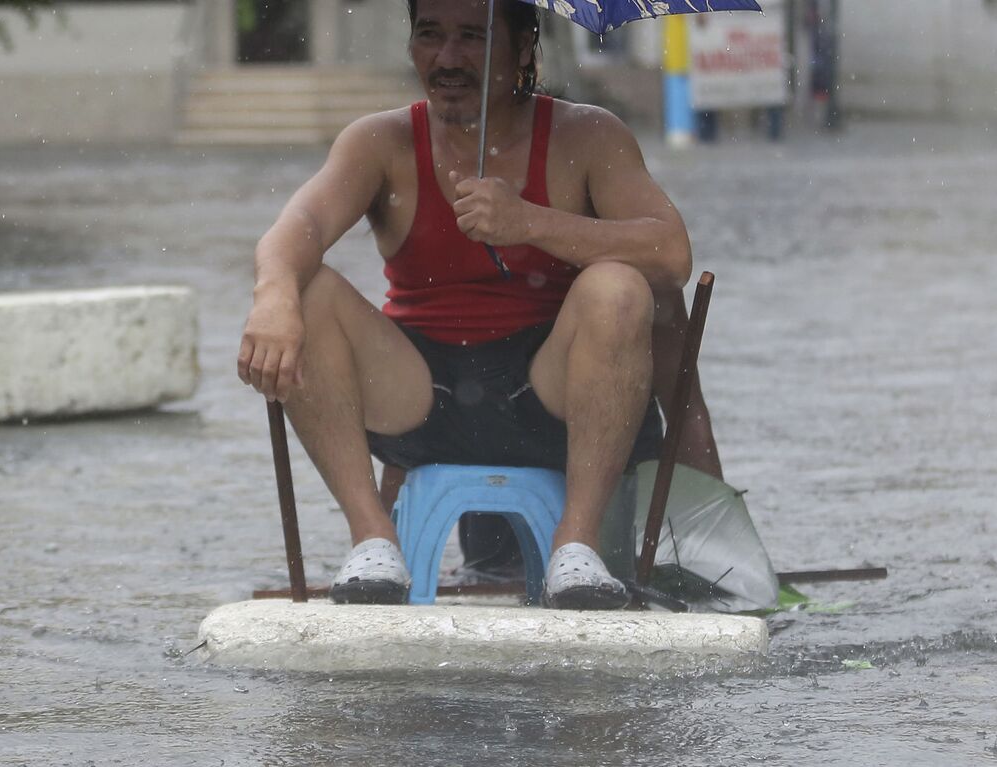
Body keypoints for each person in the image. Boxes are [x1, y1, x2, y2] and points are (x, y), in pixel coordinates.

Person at [237, 0, 723, 610]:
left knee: (620, 288)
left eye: (473, 37)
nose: (447, 58)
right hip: (420, 398)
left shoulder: (589, 134)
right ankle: (372, 538)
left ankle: (577, 547)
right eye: (430, 35)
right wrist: (273, 298)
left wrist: (530, 221)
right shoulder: (379, 141)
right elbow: (296, 226)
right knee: (303, 289)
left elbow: (670, 251)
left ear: (523, 48)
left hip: (549, 394)